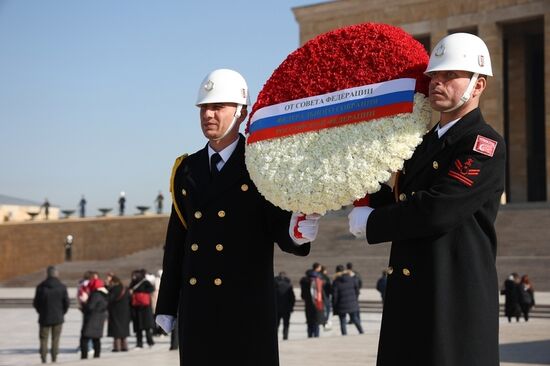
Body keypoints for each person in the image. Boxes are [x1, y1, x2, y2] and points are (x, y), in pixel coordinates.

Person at [348, 33, 505, 365]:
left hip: (452, 300)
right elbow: (400, 197)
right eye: (435, 75)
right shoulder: (422, 143)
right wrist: (353, 185)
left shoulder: (482, 144)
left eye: (451, 76)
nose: (438, 82)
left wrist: (373, 223)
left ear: (478, 85)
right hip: (411, 298)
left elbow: (438, 209)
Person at [154, 68, 319, 366]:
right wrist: (166, 304)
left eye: (218, 107)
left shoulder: (260, 164)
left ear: (241, 113)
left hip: (245, 308)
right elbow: (177, 241)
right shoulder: (186, 169)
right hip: (198, 309)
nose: (209, 115)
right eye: (204, 108)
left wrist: (297, 231)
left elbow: (278, 225)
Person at [33, 266, 70, 363]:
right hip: (58, 317)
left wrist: (41, 312)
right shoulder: (62, 287)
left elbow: (36, 303)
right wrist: (62, 312)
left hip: (44, 317)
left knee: (43, 339)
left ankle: (43, 358)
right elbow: (66, 303)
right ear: (56, 274)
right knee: (55, 339)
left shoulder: (41, 287)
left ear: (47, 274)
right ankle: (54, 358)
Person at [80, 278, 108, 359]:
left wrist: (84, 305)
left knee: (84, 339)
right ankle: (97, 357)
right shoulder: (104, 294)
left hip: (92, 319)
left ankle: (84, 357)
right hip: (100, 319)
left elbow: (90, 307)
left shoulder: (95, 294)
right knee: (96, 339)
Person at [332, 264, 363, 336]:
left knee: (342, 321)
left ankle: (344, 336)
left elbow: (334, 296)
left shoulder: (336, 282)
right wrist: (355, 299)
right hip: (352, 303)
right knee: (355, 318)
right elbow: (357, 291)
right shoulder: (351, 279)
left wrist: (334, 305)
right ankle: (361, 332)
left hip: (341, 304)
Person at [129, 269, 155, 348]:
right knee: (138, 328)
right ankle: (139, 343)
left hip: (145, 308)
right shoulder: (133, 283)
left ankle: (150, 341)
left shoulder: (145, 282)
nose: (133, 277)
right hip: (136, 307)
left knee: (146, 327)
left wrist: (141, 292)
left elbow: (151, 289)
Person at [300, 263, 325, 338]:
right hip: (317, 303)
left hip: (308, 304)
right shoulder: (319, 280)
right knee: (316, 322)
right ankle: (316, 336)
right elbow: (322, 293)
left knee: (310, 322)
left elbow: (303, 295)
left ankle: (310, 336)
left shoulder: (304, 280)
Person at [107, 275, 131, 352]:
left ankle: (117, 347)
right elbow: (130, 299)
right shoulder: (125, 289)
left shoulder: (113, 289)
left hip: (115, 311)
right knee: (123, 329)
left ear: (113, 282)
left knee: (116, 330)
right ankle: (125, 346)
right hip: (125, 312)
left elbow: (110, 299)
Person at [274, 271, 295, 340]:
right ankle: (285, 336)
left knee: (276, 324)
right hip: (286, 308)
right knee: (286, 324)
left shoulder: (274, 285)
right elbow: (292, 298)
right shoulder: (288, 286)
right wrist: (291, 307)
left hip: (277, 308)